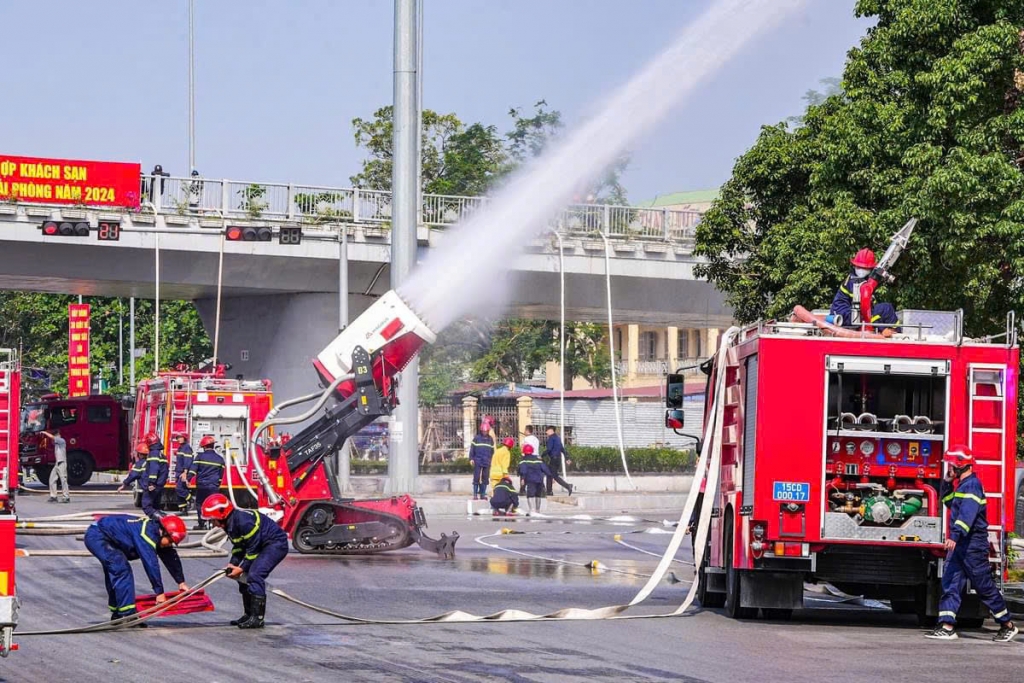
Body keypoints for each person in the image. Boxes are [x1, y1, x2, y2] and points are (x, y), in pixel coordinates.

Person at [926, 445, 1018, 642]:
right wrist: (946, 483)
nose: (949, 468)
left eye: (951, 465)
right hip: (962, 546)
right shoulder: (962, 486)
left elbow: (966, 517)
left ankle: (1007, 624)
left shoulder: (972, 486)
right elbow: (949, 502)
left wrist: (955, 536)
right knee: (950, 583)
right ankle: (947, 626)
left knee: (983, 586)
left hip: (972, 546)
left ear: (960, 465)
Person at [201, 494, 289, 629]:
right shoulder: (230, 524)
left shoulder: (244, 522)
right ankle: (248, 614)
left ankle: (257, 618)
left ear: (222, 514)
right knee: (242, 578)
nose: (212, 523)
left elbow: (252, 550)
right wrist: (233, 564)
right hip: (259, 545)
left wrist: (241, 568)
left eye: (213, 520)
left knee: (255, 575)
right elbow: (238, 547)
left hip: (275, 545)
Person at [83, 513, 189, 623]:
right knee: (121, 569)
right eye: (170, 541)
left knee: (117, 569)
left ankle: (118, 613)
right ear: (163, 532)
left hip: (108, 537)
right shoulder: (146, 534)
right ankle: (128, 615)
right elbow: (150, 563)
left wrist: (181, 582)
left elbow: (170, 556)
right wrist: (159, 593)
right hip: (98, 536)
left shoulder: (157, 532)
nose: (170, 544)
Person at [829, 248, 899, 336]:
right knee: (884, 309)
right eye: (859, 267)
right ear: (854, 266)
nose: (861, 270)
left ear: (871, 269)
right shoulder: (855, 283)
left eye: (865, 268)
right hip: (844, 315)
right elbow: (865, 309)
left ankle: (895, 331)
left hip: (849, 312)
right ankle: (893, 333)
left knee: (884, 308)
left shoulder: (856, 277)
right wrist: (881, 328)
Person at [188, 435, 225, 530]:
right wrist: (217, 484)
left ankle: (202, 523)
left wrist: (188, 479)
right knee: (214, 503)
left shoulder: (200, 457)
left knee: (200, 503)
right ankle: (215, 523)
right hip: (214, 486)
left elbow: (193, 470)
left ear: (204, 447)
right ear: (213, 446)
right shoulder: (220, 459)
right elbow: (221, 475)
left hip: (202, 485)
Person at [137, 432, 168, 518]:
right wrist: (160, 483)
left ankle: (162, 519)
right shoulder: (161, 455)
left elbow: (154, 469)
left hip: (153, 485)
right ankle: (158, 525)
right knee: (155, 506)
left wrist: (152, 483)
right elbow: (164, 471)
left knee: (147, 506)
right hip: (159, 484)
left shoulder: (153, 454)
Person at [518, 443, 554, 514]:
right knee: (538, 494)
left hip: (530, 480)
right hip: (539, 480)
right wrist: (550, 476)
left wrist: (522, 479)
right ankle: (538, 510)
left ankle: (532, 509)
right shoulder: (538, 459)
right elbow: (545, 468)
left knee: (530, 494)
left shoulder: (524, 460)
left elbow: (523, 470)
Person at [39, 428, 70, 503]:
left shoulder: (61, 440)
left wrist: (45, 433)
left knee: (63, 480)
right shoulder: (56, 444)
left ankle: (66, 496)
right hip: (57, 463)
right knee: (52, 479)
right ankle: (53, 496)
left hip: (62, 462)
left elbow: (52, 437)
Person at [468, 416, 495, 500]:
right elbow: (472, 449)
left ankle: (482, 494)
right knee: (476, 477)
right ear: (481, 430)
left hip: (486, 461)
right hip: (478, 460)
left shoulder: (490, 439)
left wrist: (491, 459)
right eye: (483, 431)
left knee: (485, 478)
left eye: (486, 431)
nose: (485, 432)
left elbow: (492, 450)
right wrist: (471, 458)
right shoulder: (476, 438)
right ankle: (475, 494)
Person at [543, 426, 574, 496]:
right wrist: (567, 458)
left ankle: (567, 486)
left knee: (553, 475)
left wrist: (542, 455)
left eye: (547, 431)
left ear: (551, 430)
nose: (546, 432)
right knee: (550, 475)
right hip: (558, 459)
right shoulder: (558, 438)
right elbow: (563, 449)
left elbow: (549, 449)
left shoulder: (551, 439)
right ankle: (549, 491)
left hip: (553, 459)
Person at [172, 434, 194, 513]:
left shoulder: (186, 448)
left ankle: (191, 499)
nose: (178, 439)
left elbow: (188, 460)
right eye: (177, 437)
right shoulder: (181, 448)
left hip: (183, 472)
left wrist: (185, 472)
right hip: (179, 472)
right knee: (179, 491)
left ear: (184, 438)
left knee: (179, 489)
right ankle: (183, 510)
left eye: (180, 437)